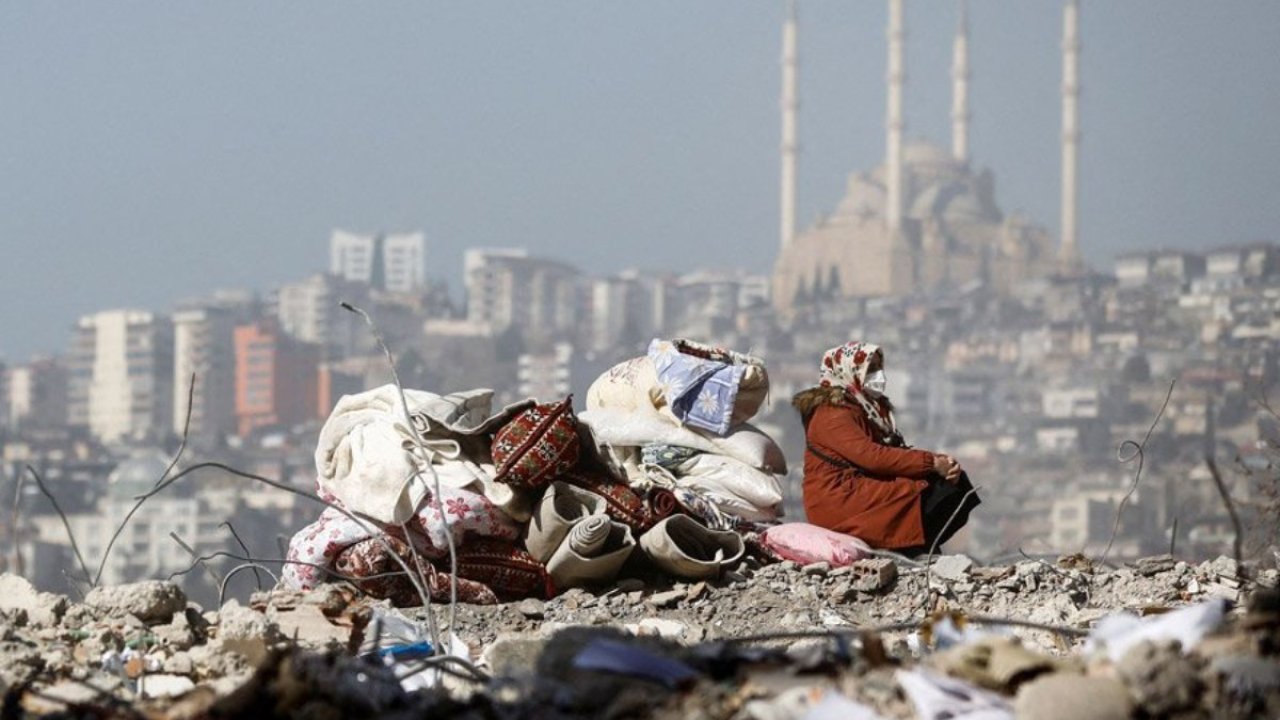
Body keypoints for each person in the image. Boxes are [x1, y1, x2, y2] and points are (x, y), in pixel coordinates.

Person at [793, 341, 980, 554]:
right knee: (925, 491)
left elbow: (890, 452)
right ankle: (911, 548)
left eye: (879, 368)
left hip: (856, 487)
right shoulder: (832, 413)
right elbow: (873, 457)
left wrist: (940, 462)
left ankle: (918, 546)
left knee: (953, 483)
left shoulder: (865, 408)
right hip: (839, 497)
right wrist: (932, 463)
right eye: (870, 369)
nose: (878, 375)